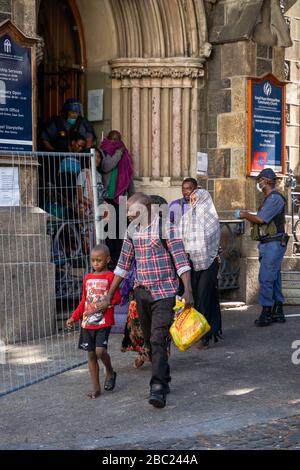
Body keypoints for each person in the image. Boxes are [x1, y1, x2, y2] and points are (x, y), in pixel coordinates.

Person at [97, 193, 193, 409]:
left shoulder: (167, 228)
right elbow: (122, 265)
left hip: (165, 293)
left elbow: (181, 262)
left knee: (159, 338)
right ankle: (164, 377)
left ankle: (157, 388)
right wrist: (109, 295)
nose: (130, 217)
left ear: (148, 208)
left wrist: (188, 290)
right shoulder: (132, 231)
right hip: (142, 293)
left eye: (134, 213)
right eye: (128, 214)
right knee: (150, 340)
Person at [66, 244, 121, 398]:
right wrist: (74, 317)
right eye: (93, 260)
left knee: (100, 351)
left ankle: (109, 371)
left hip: (104, 321)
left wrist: (108, 302)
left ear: (108, 259)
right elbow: (84, 301)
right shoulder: (88, 278)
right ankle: (96, 388)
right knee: (91, 355)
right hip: (87, 322)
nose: (96, 263)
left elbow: (117, 297)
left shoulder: (111, 277)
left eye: (99, 260)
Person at [236, 168, 288, 326]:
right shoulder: (270, 198)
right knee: (274, 277)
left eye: (260, 180)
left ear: (266, 181)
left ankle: (266, 312)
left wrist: (244, 214)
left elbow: (261, 219)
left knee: (265, 277)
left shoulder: (274, 198)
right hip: (270, 243)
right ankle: (278, 311)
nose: (258, 183)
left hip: (273, 243)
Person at [177, 187, 222, 348]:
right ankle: (193, 331)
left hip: (208, 263)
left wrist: (195, 248)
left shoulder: (211, 218)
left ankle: (206, 336)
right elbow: (180, 237)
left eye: (197, 199)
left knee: (205, 298)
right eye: (192, 200)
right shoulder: (186, 218)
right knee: (193, 297)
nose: (193, 202)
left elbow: (209, 240)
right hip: (190, 264)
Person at [100, 130, 135, 266]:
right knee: (109, 230)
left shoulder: (125, 155)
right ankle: (110, 258)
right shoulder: (103, 153)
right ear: (108, 139)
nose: (116, 142)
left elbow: (129, 176)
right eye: (113, 139)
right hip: (107, 198)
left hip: (121, 198)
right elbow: (107, 166)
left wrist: (133, 197)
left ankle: (120, 260)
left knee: (121, 230)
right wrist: (118, 153)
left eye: (118, 139)